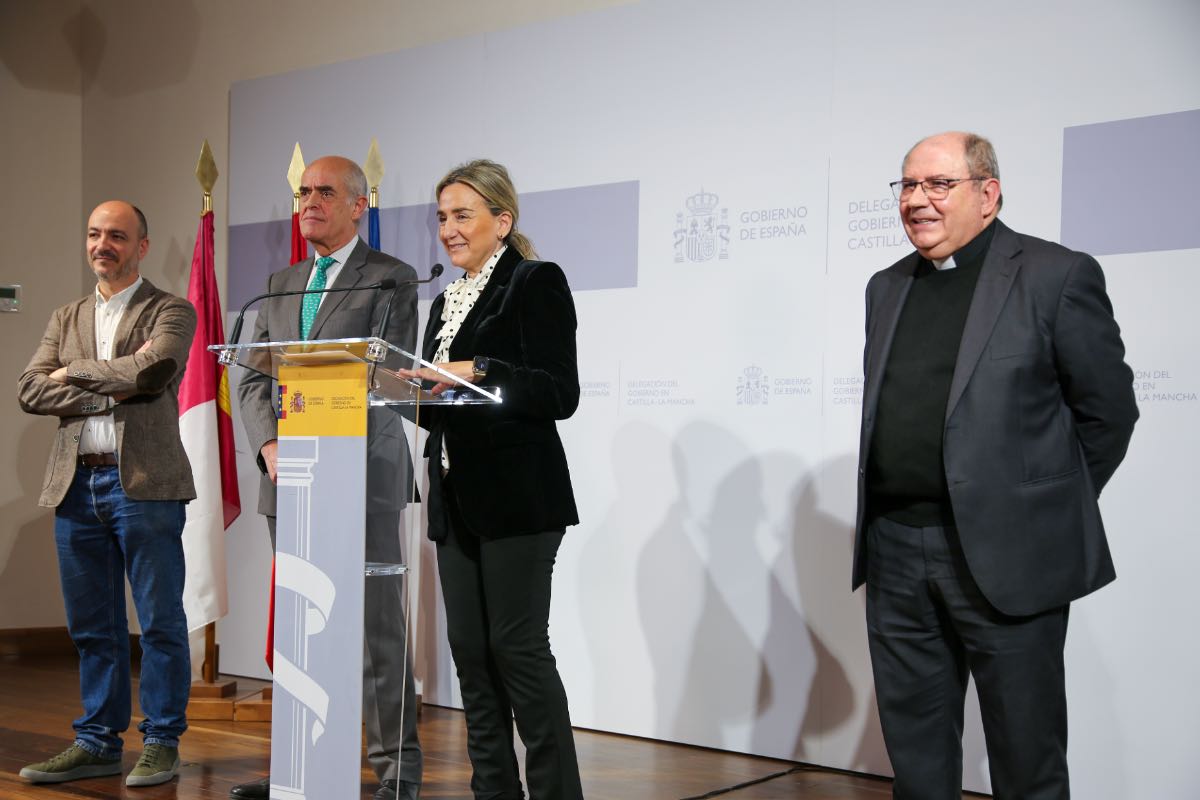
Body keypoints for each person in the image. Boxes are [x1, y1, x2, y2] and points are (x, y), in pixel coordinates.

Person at [852, 131, 1138, 799]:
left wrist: (1036, 507)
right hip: (895, 552)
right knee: (917, 760)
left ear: (988, 193)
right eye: (908, 186)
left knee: (1026, 759)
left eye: (937, 184)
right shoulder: (885, 287)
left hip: (1012, 554)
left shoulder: (1055, 275)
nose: (917, 200)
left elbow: (1109, 414)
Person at [234, 156, 422, 800]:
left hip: (361, 475)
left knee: (375, 631)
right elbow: (253, 374)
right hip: (289, 479)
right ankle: (301, 761)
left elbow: (390, 377)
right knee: (301, 625)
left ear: (357, 206)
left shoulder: (391, 279)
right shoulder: (280, 281)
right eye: (303, 192)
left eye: (324, 193)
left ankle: (395, 771)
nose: (309, 202)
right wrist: (270, 446)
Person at [399, 159, 584, 800]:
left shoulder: (534, 282)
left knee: (519, 654)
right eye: (442, 217)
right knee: (472, 662)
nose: (448, 230)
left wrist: (476, 367)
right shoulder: (446, 301)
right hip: (454, 502)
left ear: (501, 222)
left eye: (462, 216)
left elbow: (559, 392)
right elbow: (442, 413)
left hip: (519, 502)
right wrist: (400, 392)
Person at [17, 201, 197, 788]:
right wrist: (103, 386)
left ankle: (162, 742)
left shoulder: (170, 309)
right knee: (93, 627)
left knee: (160, 621)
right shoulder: (65, 315)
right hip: (76, 485)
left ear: (141, 245)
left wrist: (71, 374)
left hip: (144, 485)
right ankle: (96, 742)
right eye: (94, 234)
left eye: (116, 236)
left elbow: (153, 371)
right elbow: (28, 390)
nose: (103, 245)